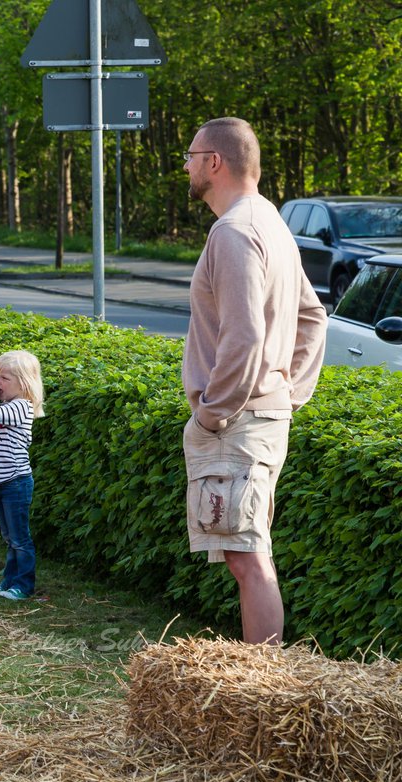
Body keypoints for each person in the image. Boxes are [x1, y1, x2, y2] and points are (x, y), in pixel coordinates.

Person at [181, 117, 327, 645]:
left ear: (214, 162)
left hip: (237, 421)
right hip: (260, 413)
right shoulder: (268, 221)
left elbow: (243, 335)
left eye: (191, 156)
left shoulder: (236, 230)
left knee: (247, 558)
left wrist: (214, 410)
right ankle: (263, 684)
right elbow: (314, 317)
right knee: (249, 552)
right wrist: (289, 391)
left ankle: (264, 683)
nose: (188, 165)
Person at [0, 351, 45, 601]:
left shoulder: (21, 406)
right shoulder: (8, 408)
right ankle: (9, 582)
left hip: (15, 481)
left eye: (4, 378)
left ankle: (23, 586)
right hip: (1, 483)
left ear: (24, 383)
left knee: (19, 538)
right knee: (10, 538)